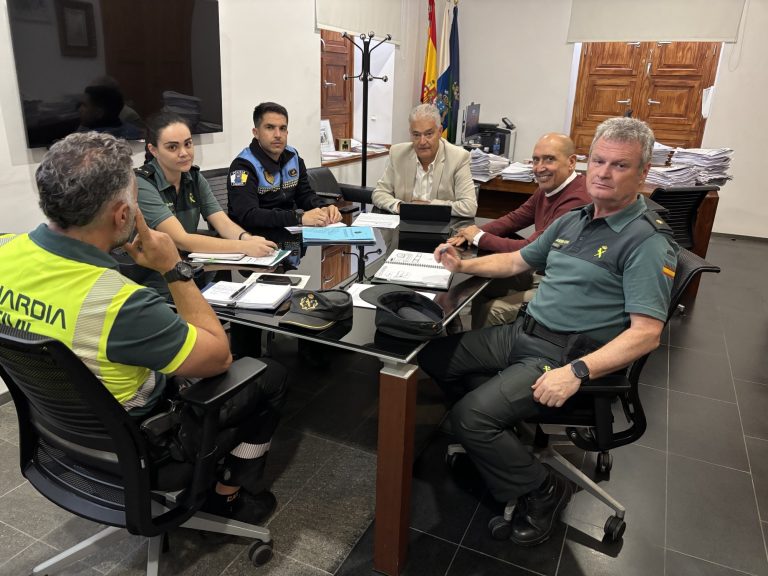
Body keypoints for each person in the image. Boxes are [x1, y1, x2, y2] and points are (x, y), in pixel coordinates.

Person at [0, 132, 287, 525]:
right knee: (270, 375)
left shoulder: (5, 250)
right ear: (122, 215)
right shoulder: (120, 303)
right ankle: (227, 495)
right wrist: (173, 267)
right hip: (147, 447)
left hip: (58, 434)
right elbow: (218, 358)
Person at [417, 117, 679, 547]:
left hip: (564, 353)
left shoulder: (645, 241)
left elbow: (647, 334)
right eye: (598, 161)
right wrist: (462, 265)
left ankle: (540, 490)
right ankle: (496, 446)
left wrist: (576, 371)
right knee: (432, 358)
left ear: (643, 173)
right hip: (525, 331)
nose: (603, 172)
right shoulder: (575, 218)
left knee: (471, 416)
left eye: (619, 165)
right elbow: (517, 261)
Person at [447, 133, 590, 328]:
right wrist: (472, 232)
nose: (540, 168)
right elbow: (515, 218)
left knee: (493, 310)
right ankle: (471, 344)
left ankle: (489, 351)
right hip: (541, 269)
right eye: (536, 160)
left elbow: (531, 247)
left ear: (571, 162)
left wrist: (479, 237)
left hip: (561, 285)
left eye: (549, 159)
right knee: (480, 286)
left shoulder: (577, 199)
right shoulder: (549, 187)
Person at [135, 111, 278, 294]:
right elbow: (181, 240)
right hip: (152, 280)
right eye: (172, 147)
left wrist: (247, 238)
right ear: (153, 150)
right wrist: (244, 247)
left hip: (187, 269)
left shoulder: (194, 177)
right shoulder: (142, 183)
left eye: (188, 144)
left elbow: (222, 222)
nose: (184, 153)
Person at [227, 101, 341, 229]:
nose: (278, 135)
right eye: (270, 127)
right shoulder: (242, 167)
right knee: (294, 246)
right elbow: (248, 215)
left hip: (290, 231)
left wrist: (322, 208)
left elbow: (304, 194)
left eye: (282, 128)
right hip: (254, 237)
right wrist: (298, 218)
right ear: (256, 132)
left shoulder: (293, 157)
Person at [371, 103, 477, 217]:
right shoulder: (398, 154)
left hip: (441, 228)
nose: (422, 142)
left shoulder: (458, 157)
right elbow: (379, 193)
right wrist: (400, 207)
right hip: (405, 225)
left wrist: (429, 207)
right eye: (416, 135)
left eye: (429, 134)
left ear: (440, 131)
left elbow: (469, 207)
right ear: (410, 133)